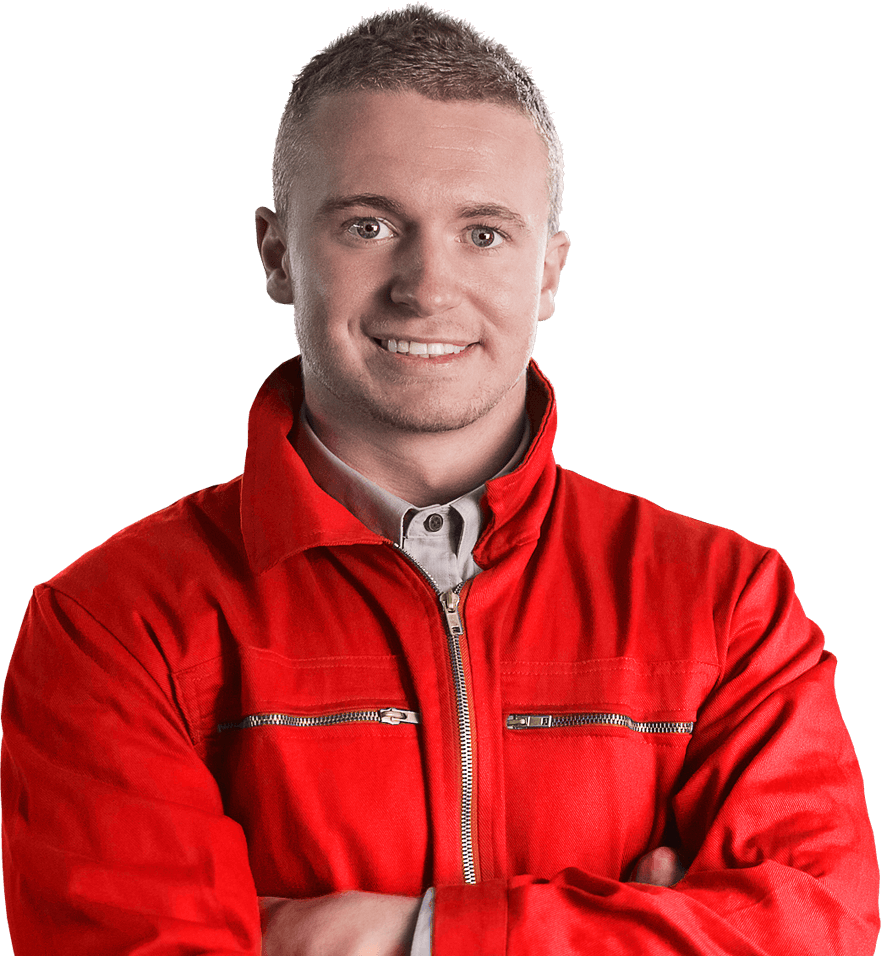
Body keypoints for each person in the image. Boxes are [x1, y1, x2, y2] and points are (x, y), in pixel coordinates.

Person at [2, 5, 878, 955]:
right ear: (275, 253)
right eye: (369, 225)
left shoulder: (727, 601)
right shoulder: (113, 620)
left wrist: (401, 937)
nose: (424, 287)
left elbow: (816, 929)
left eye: (484, 234)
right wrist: (644, 931)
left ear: (549, 272)